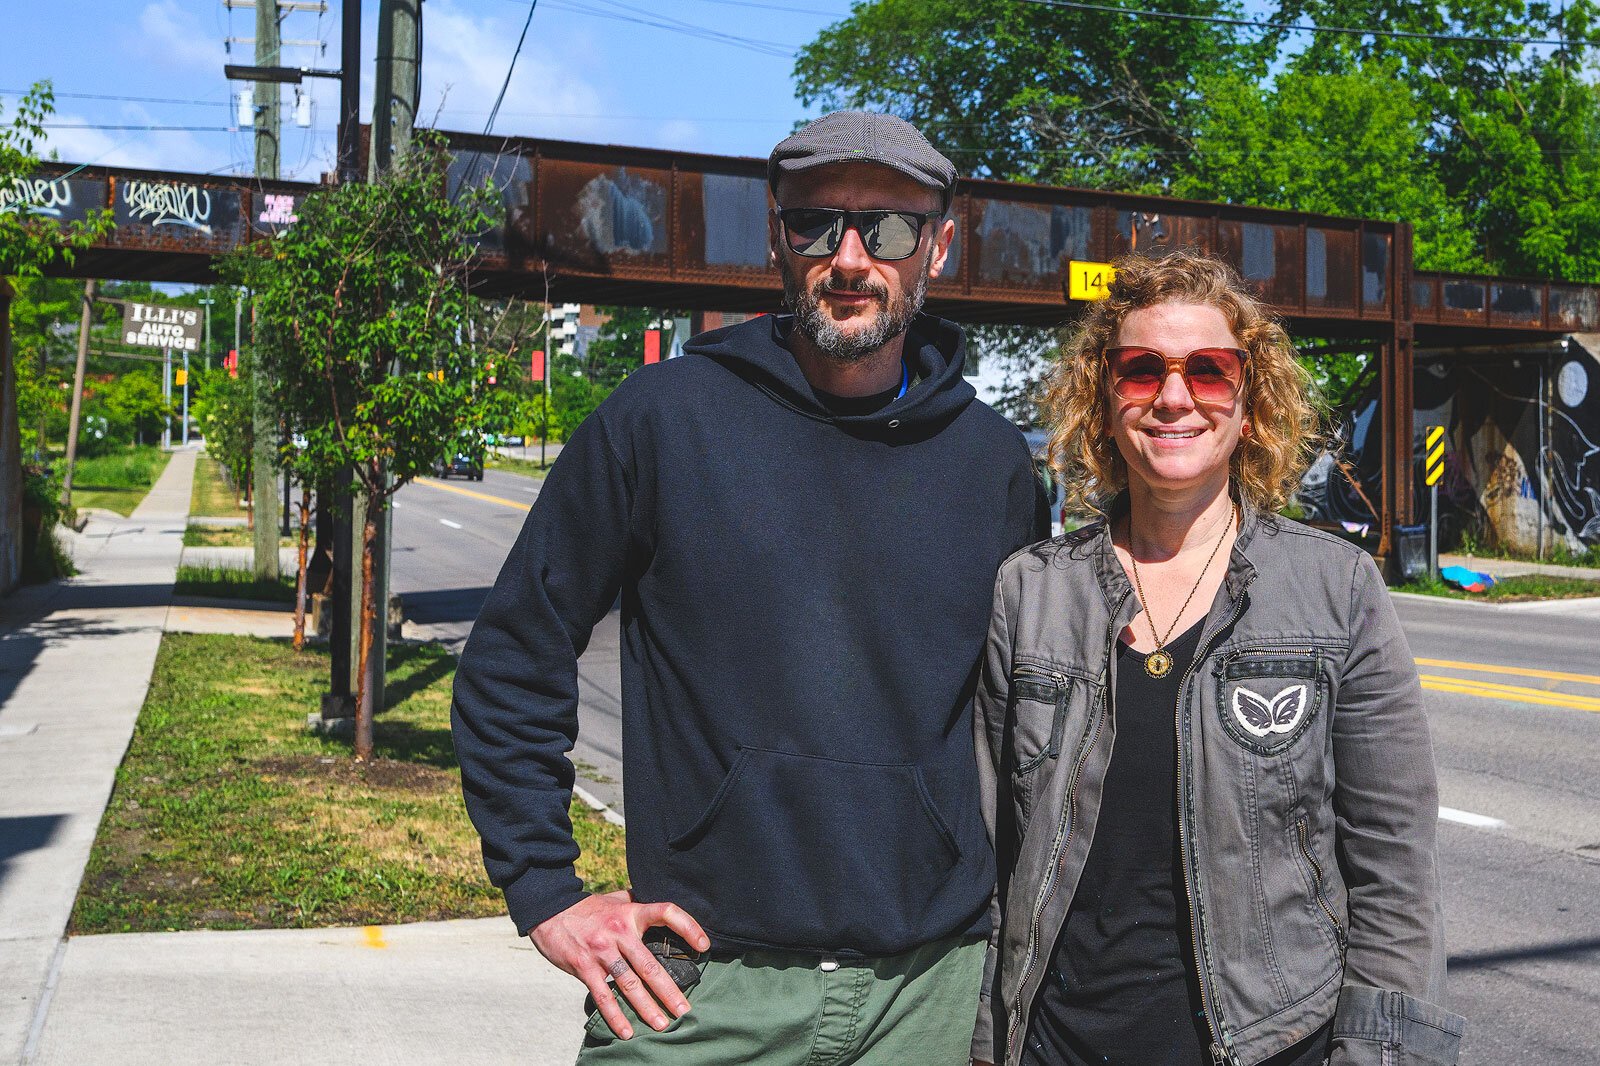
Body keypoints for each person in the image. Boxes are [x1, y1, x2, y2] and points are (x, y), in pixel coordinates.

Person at [452, 110, 1046, 1065]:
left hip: (932, 995)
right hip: (700, 992)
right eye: (818, 224)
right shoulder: (660, 421)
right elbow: (515, 653)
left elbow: (1025, 725)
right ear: (777, 235)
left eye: (888, 229)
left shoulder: (996, 467)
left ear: (938, 244)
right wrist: (545, 890)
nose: (850, 257)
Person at [971, 252, 1465, 1066]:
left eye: (1208, 369)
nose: (1173, 397)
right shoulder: (1030, 594)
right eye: (1140, 370)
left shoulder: (1335, 589)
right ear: (1102, 397)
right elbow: (991, 866)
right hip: (1055, 1045)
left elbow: (1394, 874)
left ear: (1250, 400)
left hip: (1276, 1043)